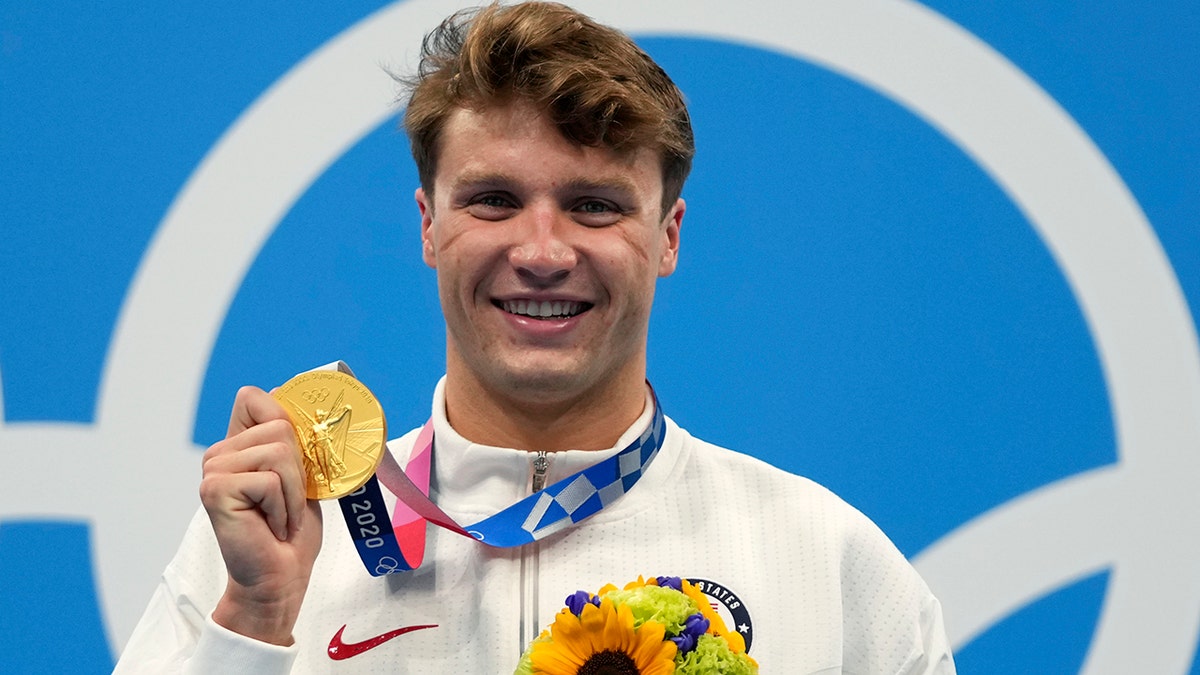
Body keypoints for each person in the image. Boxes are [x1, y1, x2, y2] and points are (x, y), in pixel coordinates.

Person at [115, 2, 956, 672]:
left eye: (595, 205)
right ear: (428, 227)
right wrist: (255, 623)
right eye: (493, 201)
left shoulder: (826, 565)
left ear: (668, 236)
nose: (543, 253)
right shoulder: (270, 549)